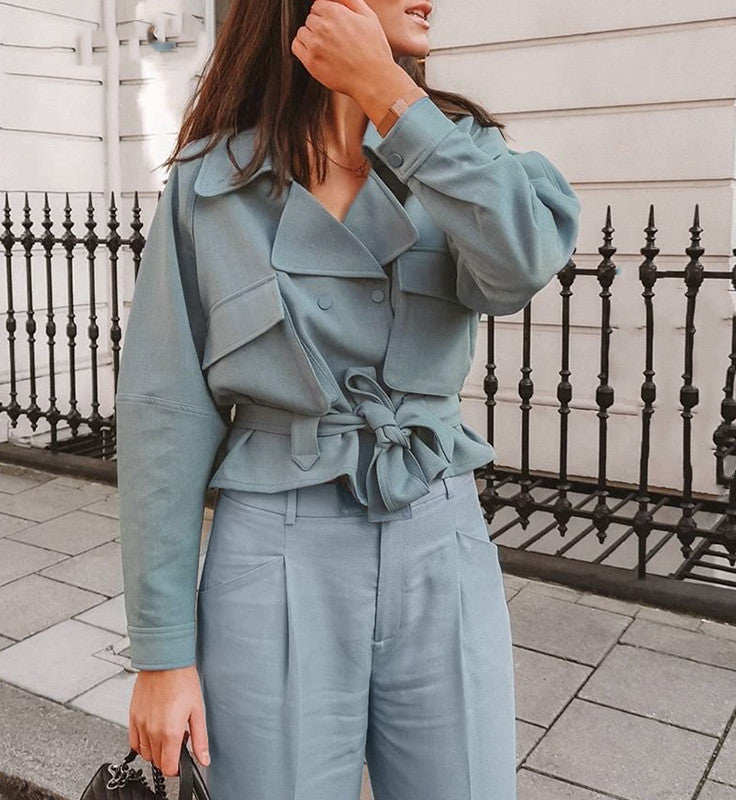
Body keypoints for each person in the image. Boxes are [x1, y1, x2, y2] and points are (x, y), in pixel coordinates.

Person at [116, 0, 581, 797]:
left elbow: (523, 262)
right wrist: (162, 654)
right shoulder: (212, 184)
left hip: (440, 541)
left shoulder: (456, 154)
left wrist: (388, 92)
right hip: (272, 556)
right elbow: (165, 416)